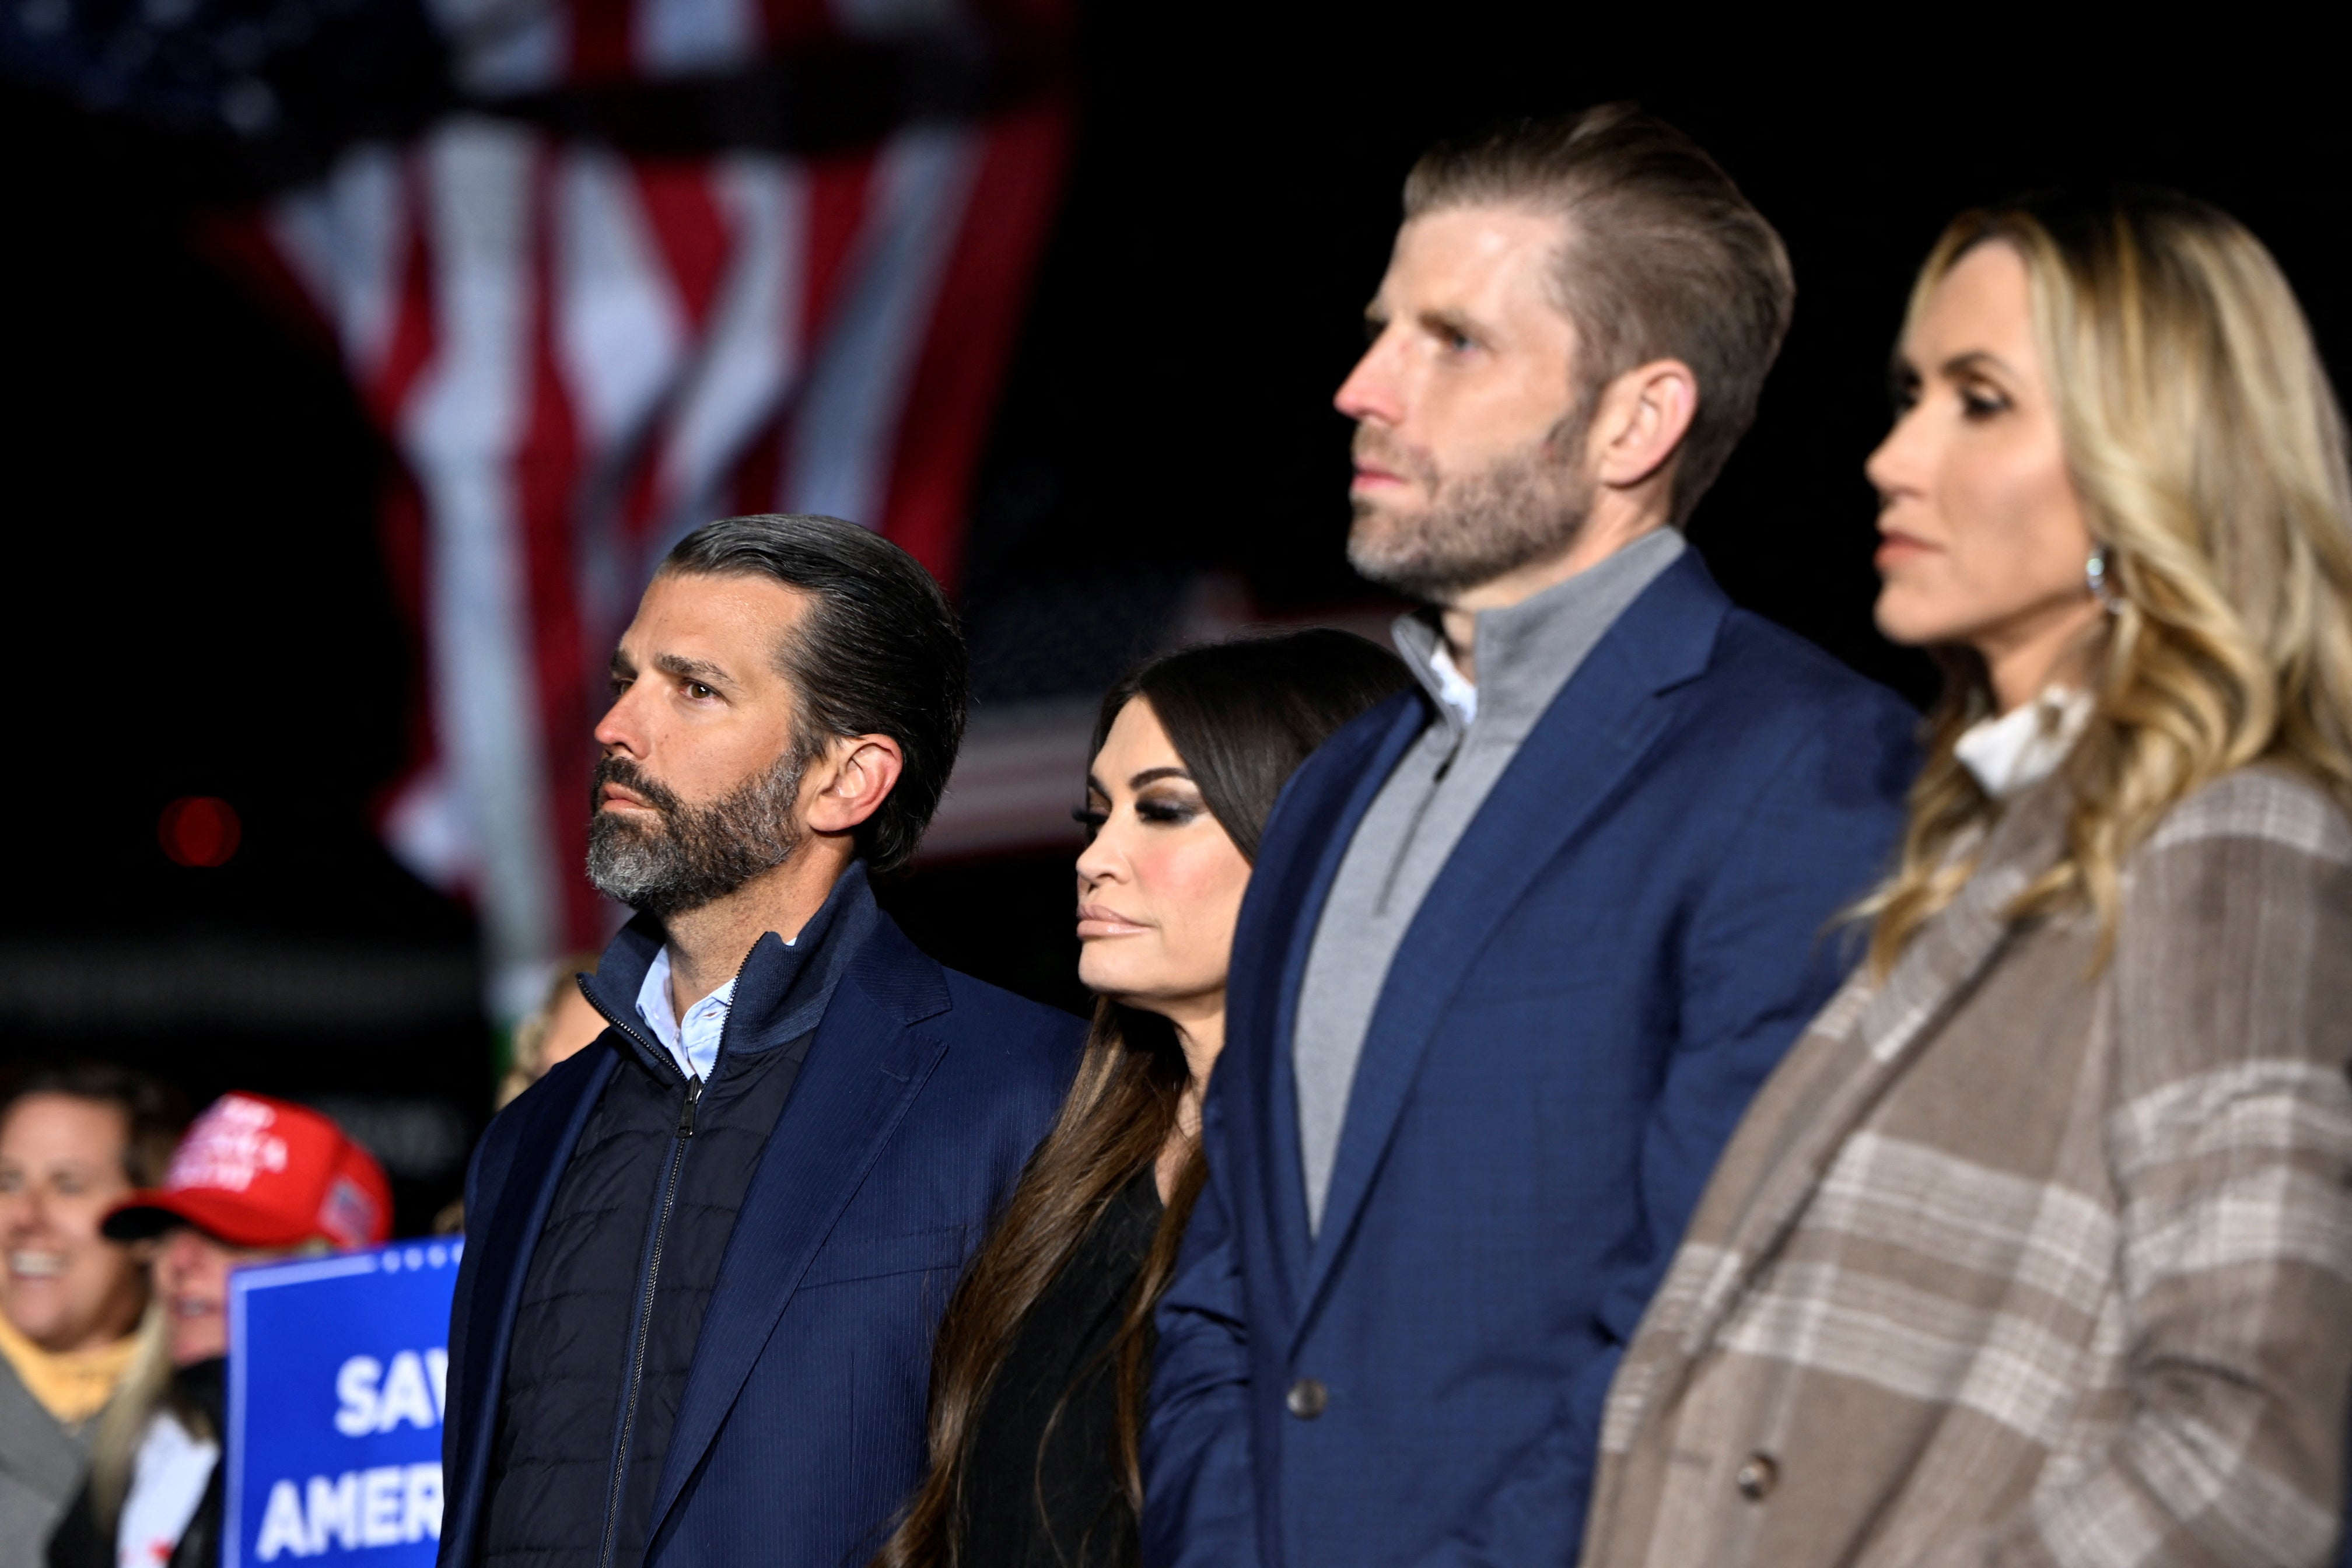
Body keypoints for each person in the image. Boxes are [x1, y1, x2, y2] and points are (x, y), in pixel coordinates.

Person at [1144, 106, 1920, 1568]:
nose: (1363, 386)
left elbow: (1720, 1323)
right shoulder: (1336, 791)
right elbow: (1230, 1284)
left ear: (1638, 419)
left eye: (1455, 342)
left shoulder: (1811, 767)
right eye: (1384, 329)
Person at [1580, 189, 2352, 1568]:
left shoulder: (2232, 838)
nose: (1893, 456)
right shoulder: (1984, 845)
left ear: (2151, 464)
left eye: (1980, 402)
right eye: (1910, 395)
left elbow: (2243, 1458)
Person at [440, 513, 1086, 1568]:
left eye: (693, 689)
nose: (615, 724)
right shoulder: (528, 1138)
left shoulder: (1027, 1091)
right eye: (627, 677)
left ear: (849, 779)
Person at [876, 631, 1412, 1568]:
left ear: (1322, 836)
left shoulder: (1395, 1178)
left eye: (1163, 810)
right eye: (1097, 816)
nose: (1096, 857)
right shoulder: (1068, 1158)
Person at [48, 1091, 393, 1568]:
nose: (179, 1262)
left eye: (228, 1239)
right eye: (169, 1232)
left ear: (324, 1272)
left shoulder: (385, 1488)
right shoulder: (138, 1452)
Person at [0, 1065, 184, 1568]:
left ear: (145, 1228)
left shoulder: (202, 1418)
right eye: (8, 1181)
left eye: (69, 1186)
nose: (26, 1216)